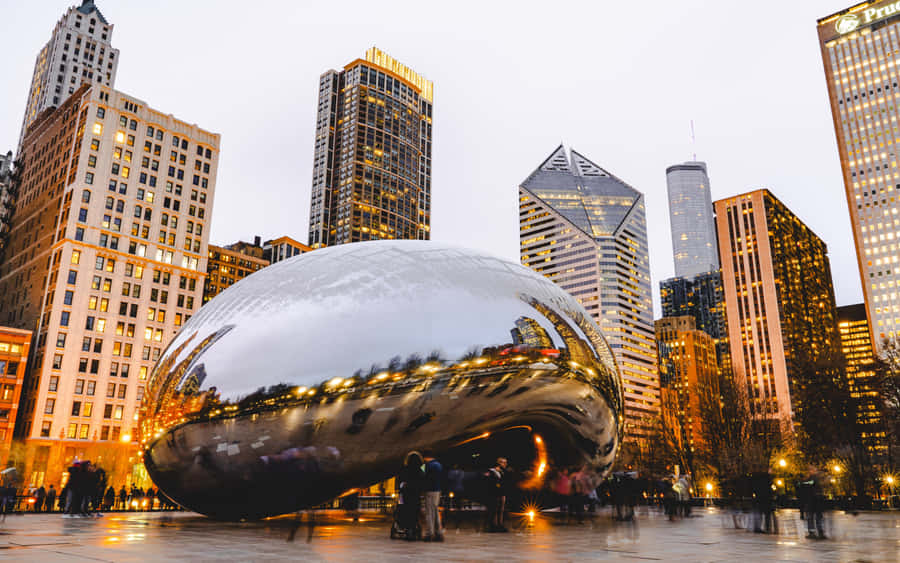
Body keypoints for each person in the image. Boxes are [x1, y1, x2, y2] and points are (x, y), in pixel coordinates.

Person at [397, 451, 424, 540]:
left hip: (406, 493)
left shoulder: (405, 468)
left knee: (406, 510)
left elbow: (401, 479)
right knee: (415, 511)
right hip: (416, 493)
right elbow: (423, 478)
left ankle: (407, 528)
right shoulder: (421, 468)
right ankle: (414, 528)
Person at [422, 451, 443, 542]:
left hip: (429, 490)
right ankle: (439, 533)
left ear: (425, 457)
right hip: (437, 490)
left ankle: (429, 534)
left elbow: (422, 476)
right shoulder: (439, 465)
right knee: (435, 511)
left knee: (429, 513)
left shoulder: (426, 465)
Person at [484, 457, 508, 532]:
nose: (505, 464)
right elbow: (488, 482)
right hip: (494, 493)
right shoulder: (492, 471)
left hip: (502, 492)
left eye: (505, 462)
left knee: (501, 510)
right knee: (494, 509)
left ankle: (500, 525)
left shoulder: (503, 472)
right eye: (503, 462)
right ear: (499, 463)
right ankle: (493, 525)